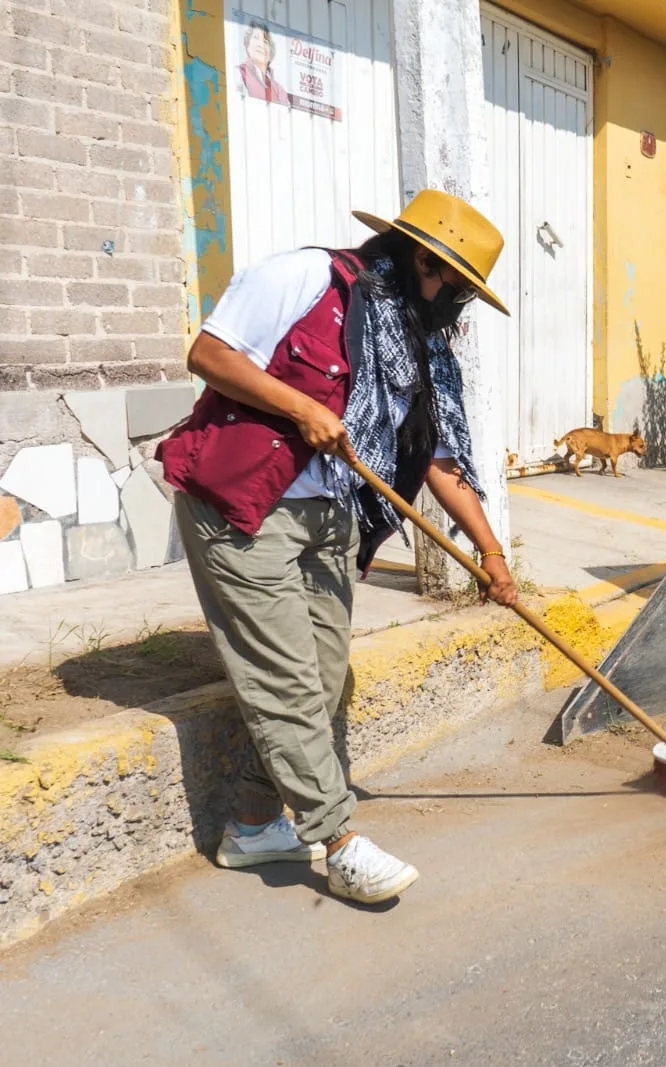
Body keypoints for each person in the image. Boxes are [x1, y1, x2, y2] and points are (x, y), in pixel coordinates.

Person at [156, 190, 517, 906]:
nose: (457, 305)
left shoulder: (419, 344)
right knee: (287, 681)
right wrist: (299, 406)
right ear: (422, 259)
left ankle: (255, 824)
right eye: (456, 286)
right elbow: (208, 353)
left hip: (329, 517)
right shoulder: (306, 279)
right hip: (241, 509)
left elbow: (439, 460)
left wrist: (492, 554)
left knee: (323, 678)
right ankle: (338, 839)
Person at [239, 21, 289, 105]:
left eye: (265, 42)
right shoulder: (240, 72)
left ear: (270, 52)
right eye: (256, 38)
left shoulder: (280, 90)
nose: (260, 44)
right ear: (247, 44)